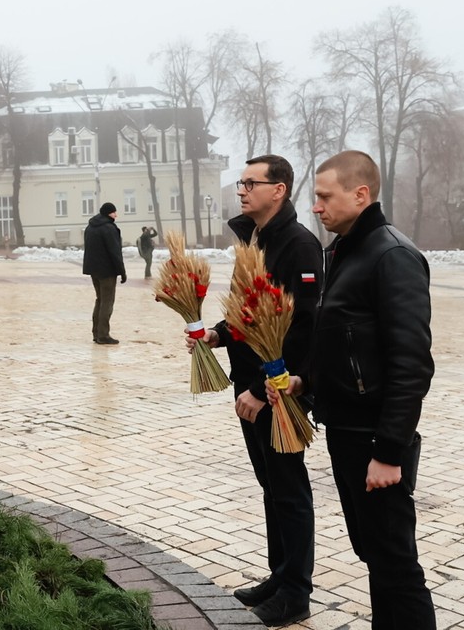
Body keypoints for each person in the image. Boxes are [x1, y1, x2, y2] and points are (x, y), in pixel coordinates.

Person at [270, 150, 435, 628]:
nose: (316, 207)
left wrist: (389, 451)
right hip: (345, 431)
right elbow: (344, 341)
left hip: (373, 439)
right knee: (377, 558)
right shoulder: (343, 252)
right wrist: (307, 381)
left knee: (396, 565)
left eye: (325, 197)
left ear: (360, 195)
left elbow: (411, 364)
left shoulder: (392, 256)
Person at [192, 155, 322, 627]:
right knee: (272, 487)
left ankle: (296, 593)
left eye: (252, 183)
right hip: (253, 390)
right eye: (241, 182)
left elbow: (300, 328)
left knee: (289, 490)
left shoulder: (299, 246)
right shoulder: (256, 238)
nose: (241, 190)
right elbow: (253, 314)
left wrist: (257, 387)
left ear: (279, 190)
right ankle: (279, 575)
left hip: (276, 392)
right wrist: (217, 335)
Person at [82, 202, 126, 345]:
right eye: (114, 212)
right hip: (107, 271)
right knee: (107, 301)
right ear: (108, 213)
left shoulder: (90, 227)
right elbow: (115, 252)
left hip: (94, 270)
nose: (116, 215)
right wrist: (122, 271)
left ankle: (96, 333)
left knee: (99, 300)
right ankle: (103, 335)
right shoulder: (109, 228)